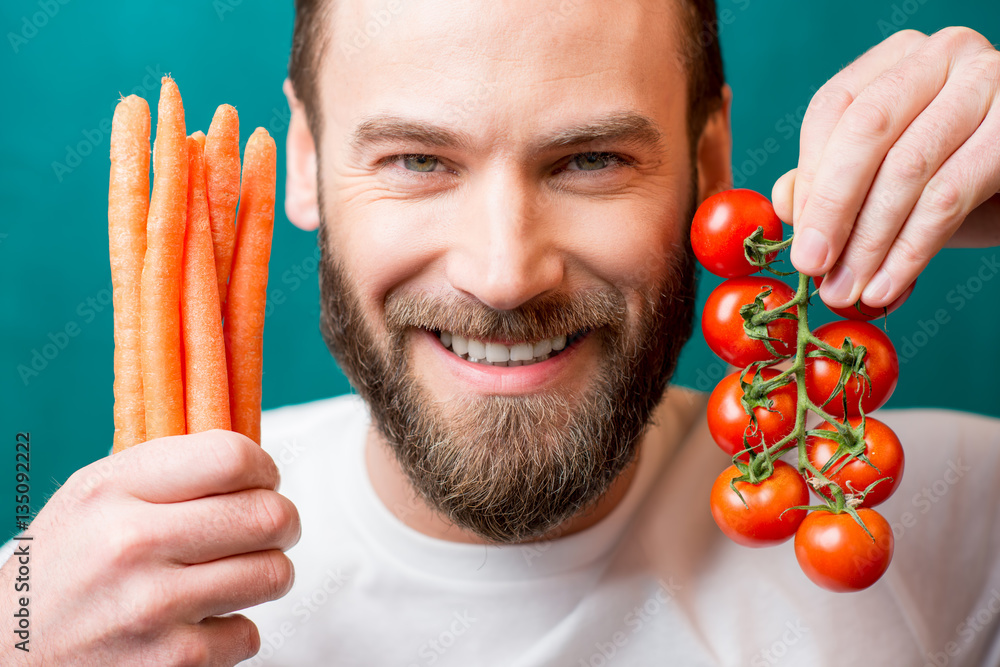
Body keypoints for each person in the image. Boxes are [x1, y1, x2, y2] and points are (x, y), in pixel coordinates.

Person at [3, 0, 999, 664]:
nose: (502, 273)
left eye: (591, 159)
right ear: (304, 163)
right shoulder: (103, 594)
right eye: (414, 160)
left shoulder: (947, 518)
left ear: (709, 160)